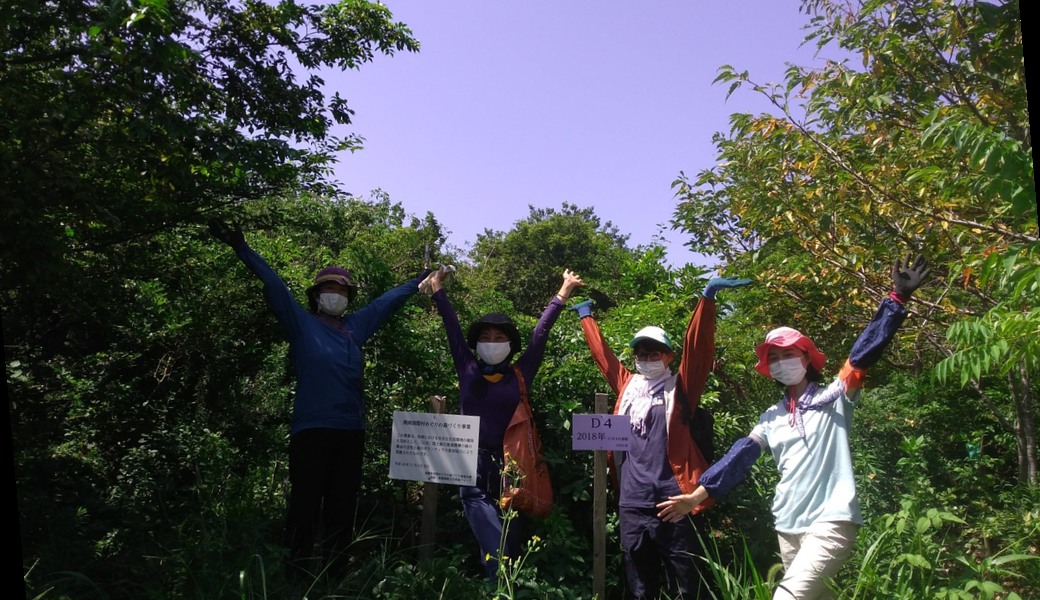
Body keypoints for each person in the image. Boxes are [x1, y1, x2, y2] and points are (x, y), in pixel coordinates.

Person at [657, 254, 931, 600]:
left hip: (831, 522)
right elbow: (739, 457)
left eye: (787, 354)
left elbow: (863, 353)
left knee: (786, 597)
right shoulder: (771, 417)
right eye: (773, 357)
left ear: (806, 358)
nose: (780, 362)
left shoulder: (835, 395)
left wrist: (896, 300)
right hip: (787, 527)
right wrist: (697, 495)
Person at [208, 217, 429, 579]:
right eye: (329, 289)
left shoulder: (355, 327)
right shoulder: (300, 323)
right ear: (316, 294)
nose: (335, 295)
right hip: (311, 431)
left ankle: (334, 574)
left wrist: (420, 279)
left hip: (350, 432)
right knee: (305, 504)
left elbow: (388, 302)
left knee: (341, 508)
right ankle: (296, 574)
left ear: (349, 297)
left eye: (341, 291)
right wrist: (241, 247)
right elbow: (274, 284)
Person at [570, 276, 752, 600]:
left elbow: (698, 351)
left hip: (674, 501)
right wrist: (586, 316)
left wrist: (707, 301)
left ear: (668, 356)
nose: (647, 358)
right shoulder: (628, 387)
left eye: (655, 353)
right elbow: (604, 358)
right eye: (641, 353)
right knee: (639, 584)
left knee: (684, 583)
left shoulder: (680, 389)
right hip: (633, 502)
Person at [422, 266, 585, 579]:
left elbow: (540, 334)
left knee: (512, 518)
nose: (492, 342)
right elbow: (452, 327)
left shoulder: (521, 373)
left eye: (499, 338)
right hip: (469, 456)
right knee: (475, 504)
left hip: (512, 460)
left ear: (510, 345)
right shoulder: (467, 367)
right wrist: (438, 289)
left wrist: (563, 292)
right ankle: (504, 576)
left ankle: (497, 578)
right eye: (485, 338)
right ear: (476, 344)